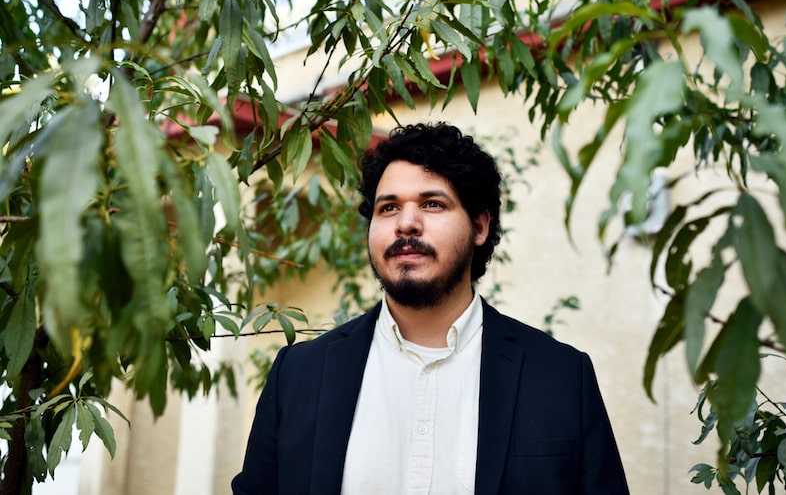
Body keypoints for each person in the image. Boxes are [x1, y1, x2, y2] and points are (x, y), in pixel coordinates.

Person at [232, 122, 629, 495]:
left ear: (479, 227)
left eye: (432, 204)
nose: (406, 223)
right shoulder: (299, 375)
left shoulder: (561, 377)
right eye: (387, 208)